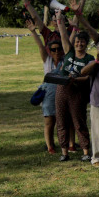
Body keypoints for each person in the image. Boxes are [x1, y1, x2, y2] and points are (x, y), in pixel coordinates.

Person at [56, 27, 95, 162]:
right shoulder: (69, 53)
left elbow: (88, 77)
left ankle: (85, 151)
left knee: (79, 121)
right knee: (61, 120)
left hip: (78, 91)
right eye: (77, 41)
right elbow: (63, 36)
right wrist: (60, 19)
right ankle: (64, 152)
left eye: (82, 42)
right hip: (62, 89)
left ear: (86, 43)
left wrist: (75, 79)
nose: (79, 44)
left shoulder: (90, 58)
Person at [28, 18, 64, 154]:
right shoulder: (47, 60)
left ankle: (65, 143)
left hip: (62, 92)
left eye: (58, 49)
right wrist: (33, 32)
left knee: (62, 121)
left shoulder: (64, 61)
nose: (55, 52)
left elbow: (68, 42)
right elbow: (40, 47)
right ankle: (50, 146)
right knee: (49, 121)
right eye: (53, 49)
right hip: (49, 93)